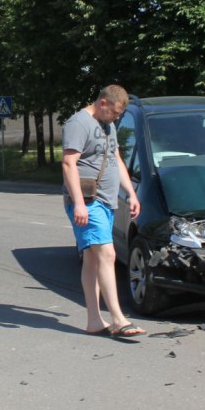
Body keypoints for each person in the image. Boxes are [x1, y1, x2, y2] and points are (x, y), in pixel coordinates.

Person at [62, 84, 144, 338]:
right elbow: (68, 163)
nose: (116, 118)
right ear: (103, 103)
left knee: (93, 259)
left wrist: (131, 193)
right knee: (108, 254)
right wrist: (78, 202)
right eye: (115, 112)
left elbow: (115, 159)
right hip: (88, 201)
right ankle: (118, 319)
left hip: (107, 200)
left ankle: (94, 321)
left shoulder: (108, 125)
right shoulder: (79, 123)